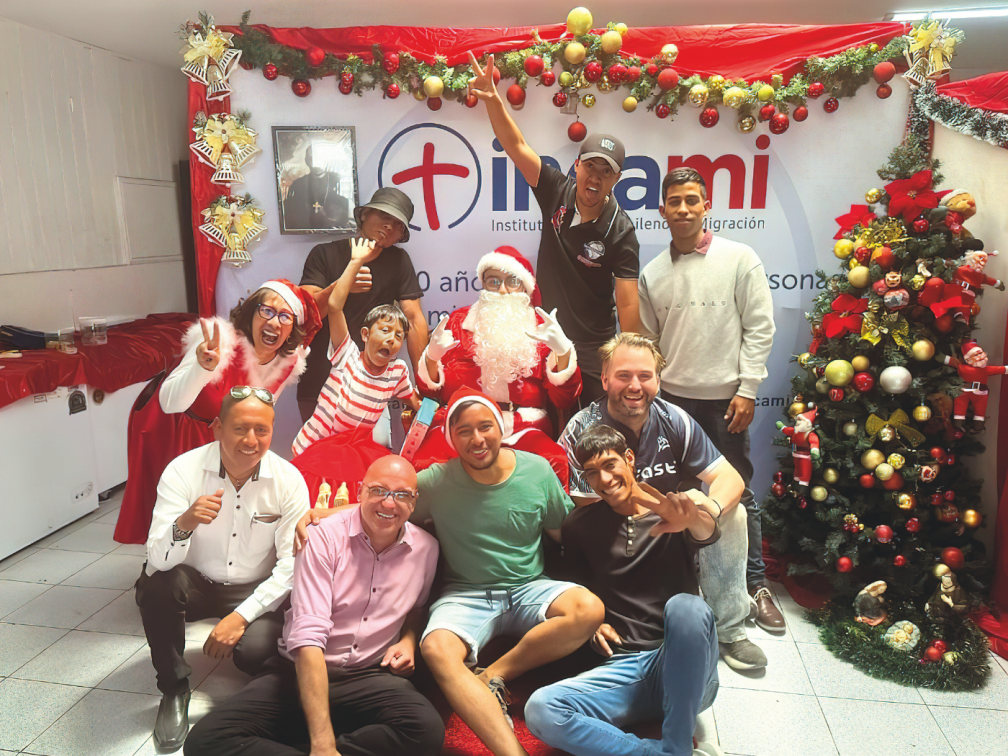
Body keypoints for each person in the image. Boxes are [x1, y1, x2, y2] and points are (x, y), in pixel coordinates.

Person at [184, 456, 444, 756]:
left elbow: (417, 608)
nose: (388, 503)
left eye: (401, 495)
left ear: (414, 502)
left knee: (426, 731)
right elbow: (308, 636)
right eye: (378, 490)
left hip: (369, 676)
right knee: (206, 741)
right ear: (360, 491)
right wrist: (322, 745)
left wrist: (410, 640)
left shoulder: (427, 548)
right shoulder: (321, 537)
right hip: (301, 669)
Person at [560, 333, 767, 671]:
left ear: (658, 380)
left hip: (673, 529)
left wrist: (705, 514)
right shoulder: (582, 429)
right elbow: (590, 515)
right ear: (606, 377)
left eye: (645, 376)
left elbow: (731, 479)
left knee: (734, 512)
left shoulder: (674, 418)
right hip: (617, 534)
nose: (634, 386)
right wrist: (653, 510)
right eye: (624, 376)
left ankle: (730, 630)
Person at [416, 387, 605, 756]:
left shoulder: (536, 471)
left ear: (501, 427)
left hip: (528, 586)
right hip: (465, 593)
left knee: (589, 608)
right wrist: (317, 515)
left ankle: (491, 676)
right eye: (464, 431)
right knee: (436, 648)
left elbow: (570, 536)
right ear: (451, 438)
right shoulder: (436, 481)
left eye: (485, 426)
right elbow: (380, 501)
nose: (477, 439)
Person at [638, 167, 783, 633]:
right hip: (674, 401)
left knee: (737, 494)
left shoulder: (740, 258)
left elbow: (760, 327)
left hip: (726, 401)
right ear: (662, 210)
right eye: (674, 201)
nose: (683, 209)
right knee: (678, 495)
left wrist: (747, 389)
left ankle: (754, 587)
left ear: (706, 206)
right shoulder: (653, 273)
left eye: (692, 200)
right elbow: (648, 343)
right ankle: (693, 580)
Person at [526, 424, 723, 756]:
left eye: (609, 465)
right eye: (591, 473)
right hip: (624, 671)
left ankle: (676, 747)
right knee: (541, 709)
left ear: (629, 459)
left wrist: (692, 520)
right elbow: (574, 591)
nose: (603, 480)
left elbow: (707, 533)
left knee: (687, 608)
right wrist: (592, 624)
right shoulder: (580, 526)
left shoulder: (670, 508)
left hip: (683, 664)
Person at [136, 387, 310, 751]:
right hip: (195, 581)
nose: (251, 440)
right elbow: (157, 559)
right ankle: (173, 689)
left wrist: (242, 617)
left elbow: (291, 566)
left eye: (262, 430)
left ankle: (261, 706)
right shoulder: (182, 471)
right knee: (156, 585)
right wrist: (183, 523)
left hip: (253, 586)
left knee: (258, 653)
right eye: (239, 429)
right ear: (217, 428)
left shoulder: (288, 480)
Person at [468, 52, 641, 406]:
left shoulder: (621, 231)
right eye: (589, 166)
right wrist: (493, 101)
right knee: (547, 426)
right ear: (576, 166)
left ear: (615, 180)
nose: (594, 177)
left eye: (605, 172)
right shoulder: (555, 189)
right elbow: (516, 146)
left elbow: (627, 305)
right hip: (544, 335)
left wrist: (629, 361)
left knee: (595, 434)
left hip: (594, 348)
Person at [114, 280, 321, 544]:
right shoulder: (219, 340)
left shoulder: (287, 361)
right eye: (266, 311)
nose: (274, 322)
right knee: (177, 504)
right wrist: (202, 367)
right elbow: (169, 403)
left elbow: (262, 408)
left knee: (219, 510)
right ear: (251, 312)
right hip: (178, 429)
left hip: (225, 437)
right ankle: (164, 563)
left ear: (293, 327)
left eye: (284, 316)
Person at [414, 245, 581, 488]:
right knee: (425, 464)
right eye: (493, 281)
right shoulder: (459, 322)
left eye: (512, 281)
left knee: (552, 461)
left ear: (525, 287)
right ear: (483, 285)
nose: (502, 290)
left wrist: (563, 352)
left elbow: (564, 400)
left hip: (521, 426)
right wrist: (431, 358)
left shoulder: (541, 327)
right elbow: (430, 393)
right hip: (462, 424)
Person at [298, 187, 428, 423]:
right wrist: (340, 286)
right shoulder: (324, 254)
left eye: (398, 224)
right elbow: (306, 313)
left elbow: (414, 320)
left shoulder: (399, 261)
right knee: (316, 455)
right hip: (319, 375)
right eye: (384, 216)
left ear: (401, 235)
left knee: (370, 455)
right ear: (364, 215)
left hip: (371, 386)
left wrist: (423, 382)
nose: (390, 226)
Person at [292, 237, 420, 457]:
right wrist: (355, 262)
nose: (391, 339)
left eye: (399, 335)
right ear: (365, 334)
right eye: (385, 331)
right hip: (313, 450)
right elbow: (334, 306)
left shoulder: (397, 371)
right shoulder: (347, 355)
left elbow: (417, 402)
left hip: (350, 454)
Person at [282, 143, 351, 230]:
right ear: (306, 160)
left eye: (317, 157)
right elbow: (289, 214)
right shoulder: (297, 184)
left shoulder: (335, 181)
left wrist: (328, 219)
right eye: (310, 157)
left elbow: (343, 220)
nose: (313, 160)